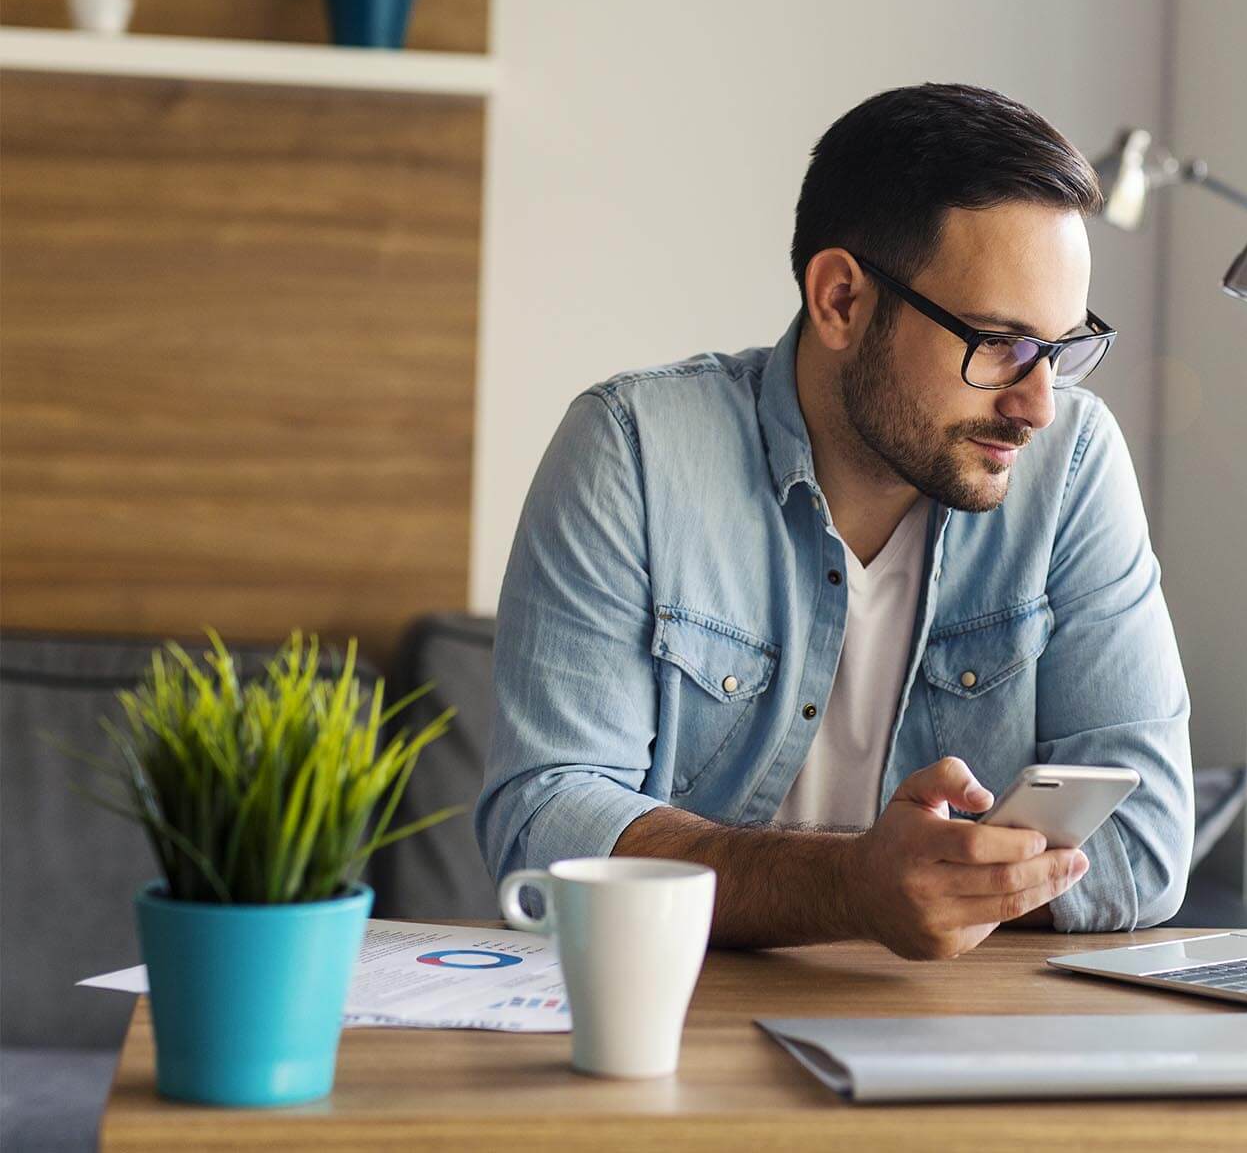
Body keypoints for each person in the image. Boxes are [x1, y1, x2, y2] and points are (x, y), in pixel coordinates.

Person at [476, 82, 1192, 960]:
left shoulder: (1073, 465)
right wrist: (852, 889)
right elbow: (544, 822)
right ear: (842, 301)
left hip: (960, 1035)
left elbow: (1148, 842)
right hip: (677, 1023)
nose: (1039, 405)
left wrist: (929, 890)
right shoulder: (633, 450)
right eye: (1000, 343)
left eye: (1063, 349)